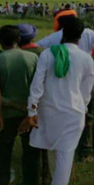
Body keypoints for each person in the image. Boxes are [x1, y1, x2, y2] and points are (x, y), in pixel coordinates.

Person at [23, 18, 94, 185]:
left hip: (48, 113)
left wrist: (32, 111)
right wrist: (81, 109)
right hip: (73, 113)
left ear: (62, 33)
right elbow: (86, 92)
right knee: (65, 156)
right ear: (81, 36)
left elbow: (37, 86)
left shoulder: (48, 54)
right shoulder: (86, 59)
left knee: (53, 152)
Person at [0, 26, 40, 185]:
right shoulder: (32, 58)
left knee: (4, 152)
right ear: (18, 40)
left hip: (5, 115)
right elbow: (39, 89)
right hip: (29, 115)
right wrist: (29, 111)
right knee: (31, 153)